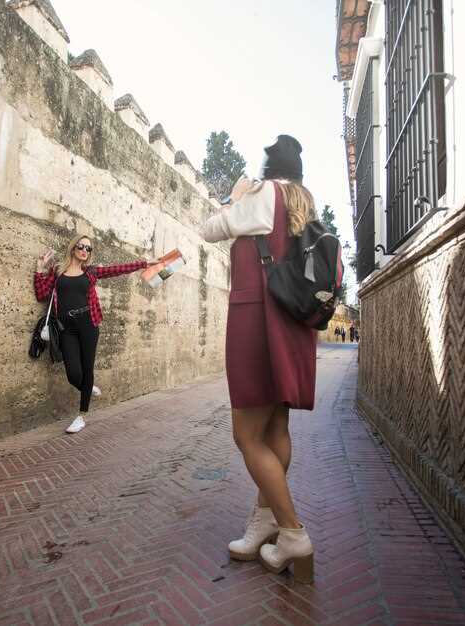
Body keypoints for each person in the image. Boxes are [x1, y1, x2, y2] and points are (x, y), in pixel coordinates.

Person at [201, 135, 316, 584]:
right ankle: (265, 518)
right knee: (275, 427)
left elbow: (210, 228)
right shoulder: (302, 199)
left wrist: (233, 197)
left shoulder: (264, 194)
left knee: (246, 435)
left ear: (269, 169)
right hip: (290, 325)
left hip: (258, 322)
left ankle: (292, 532)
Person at [34, 235, 156, 434]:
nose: (84, 251)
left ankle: (82, 416)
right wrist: (39, 269)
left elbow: (117, 269)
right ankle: (87, 387)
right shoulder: (58, 271)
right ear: (73, 247)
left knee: (87, 368)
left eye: (88, 249)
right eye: (81, 246)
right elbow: (42, 294)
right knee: (73, 374)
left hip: (88, 324)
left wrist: (143, 263)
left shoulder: (90, 272)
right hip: (66, 328)